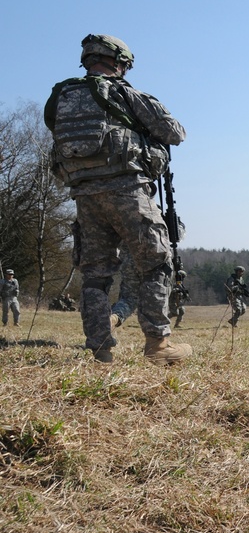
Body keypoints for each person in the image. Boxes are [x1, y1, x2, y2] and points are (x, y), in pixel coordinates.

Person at [43, 34, 190, 365]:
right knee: (156, 263)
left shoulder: (63, 97)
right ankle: (158, 344)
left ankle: (100, 345)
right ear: (120, 62)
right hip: (127, 192)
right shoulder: (122, 92)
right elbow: (175, 132)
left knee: (95, 273)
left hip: (84, 196)